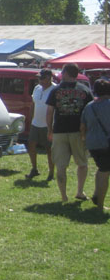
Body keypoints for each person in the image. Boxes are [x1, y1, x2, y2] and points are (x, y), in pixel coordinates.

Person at [46, 62, 93, 202]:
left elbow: (49, 112)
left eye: (62, 72)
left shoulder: (55, 90)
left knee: (61, 165)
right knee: (82, 163)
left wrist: (49, 129)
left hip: (60, 131)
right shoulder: (85, 90)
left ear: (66, 73)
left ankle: (64, 196)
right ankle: (79, 191)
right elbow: (89, 111)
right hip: (79, 132)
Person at [80, 78, 110, 211]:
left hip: (92, 143)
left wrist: (84, 139)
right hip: (106, 143)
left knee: (101, 168)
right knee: (104, 171)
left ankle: (97, 195)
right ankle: (99, 206)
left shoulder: (89, 106)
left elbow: (83, 126)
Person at [25, 68, 57, 181]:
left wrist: (52, 127)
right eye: (39, 78)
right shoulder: (37, 88)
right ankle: (34, 169)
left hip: (48, 125)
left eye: (42, 78)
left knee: (49, 149)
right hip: (35, 123)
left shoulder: (55, 89)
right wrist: (30, 118)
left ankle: (51, 173)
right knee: (31, 146)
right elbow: (33, 104)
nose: (40, 80)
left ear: (49, 78)